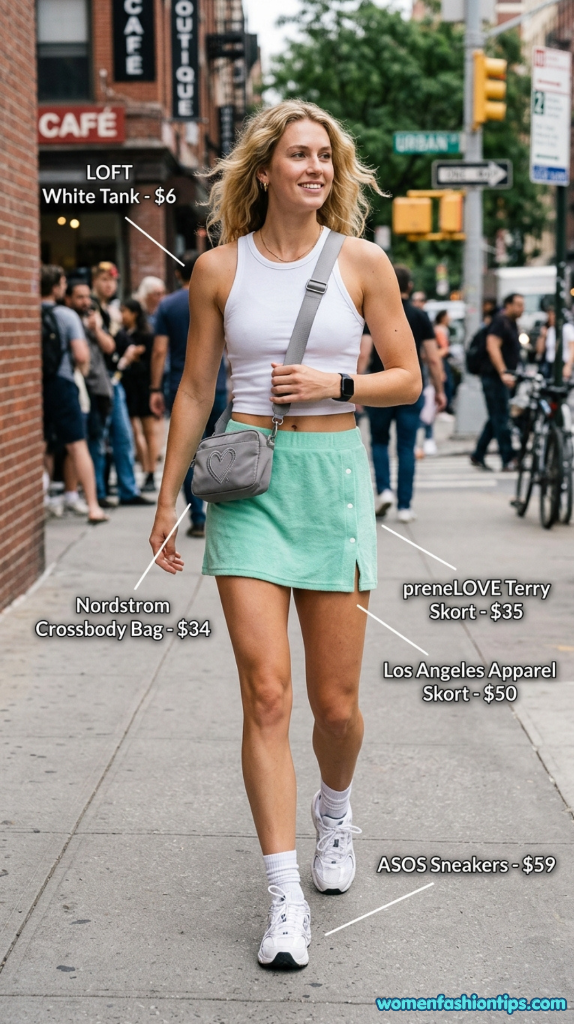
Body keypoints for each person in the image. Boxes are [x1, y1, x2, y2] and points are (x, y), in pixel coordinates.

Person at [149, 100, 421, 969]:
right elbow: (195, 391)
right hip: (250, 489)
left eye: (326, 158)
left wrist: (340, 383)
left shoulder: (365, 263)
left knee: (334, 707)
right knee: (266, 695)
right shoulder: (217, 269)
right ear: (264, 169)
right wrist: (167, 501)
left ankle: (335, 815)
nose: (315, 168)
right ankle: (282, 899)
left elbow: (409, 378)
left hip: (333, 486)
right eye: (299, 155)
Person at [149, 254, 228, 537]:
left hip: (181, 387)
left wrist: (155, 388)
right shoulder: (221, 291)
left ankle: (197, 517)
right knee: (221, 450)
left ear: (175, 273)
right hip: (217, 386)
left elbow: (159, 350)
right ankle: (221, 512)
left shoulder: (168, 305)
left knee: (188, 452)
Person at [365, 266, 446, 520]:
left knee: (379, 442)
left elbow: (363, 352)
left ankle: (385, 491)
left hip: (378, 388)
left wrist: (353, 390)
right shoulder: (420, 316)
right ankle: (405, 506)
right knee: (407, 446)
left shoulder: (374, 312)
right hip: (409, 389)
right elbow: (433, 358)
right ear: (409, 287)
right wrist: (440, 390)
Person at [41, 265, 108, 524]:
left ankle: (43, 499)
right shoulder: (66, 316)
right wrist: (80, 369)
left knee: (42, 444)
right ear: (57, 286)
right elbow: (81, 355)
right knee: (77, 444)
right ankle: (93, 506)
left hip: (36, 386)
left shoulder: (26, 312)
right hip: (62, 382)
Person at [91, 262, 151, 505]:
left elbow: (119, 343)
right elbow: (110, 346)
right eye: (104, 280)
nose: (109, 284)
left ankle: (128, 490)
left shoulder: (109, 311)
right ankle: (99, 492)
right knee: (100, 440)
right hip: (98, 381)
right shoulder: (92, 309)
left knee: (123, 437)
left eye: (112, 281)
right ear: (95, 281)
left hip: (113, 380)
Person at [65, 281, 115, 506]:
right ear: (68, 299)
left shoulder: (92, 322)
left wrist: (96, 329)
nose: (85, 302)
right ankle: (94, 493)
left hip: (99, 389)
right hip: (81, 389)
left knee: (96, 441)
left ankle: (96, 491)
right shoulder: (67, 321)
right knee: (85, 442)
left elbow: (110, 347)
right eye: (79, 297)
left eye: (87, 297)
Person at [471, 292, 524, 472]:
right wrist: (503, 372)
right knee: (501, 419)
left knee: (496, 417)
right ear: (507, 305)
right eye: (517, 304)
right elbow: (491, 345)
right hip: (494, 378)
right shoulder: (501, 322)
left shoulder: (511, 323)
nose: (521, 308)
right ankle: (507, 458)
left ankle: (478, 454)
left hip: (500, 377)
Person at [115, 298, 160, 493]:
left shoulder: (146, 335)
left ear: (134, 313)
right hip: (127, 386)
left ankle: (150, 471)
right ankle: (143, 469)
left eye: (124, 311)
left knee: (148, 430)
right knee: (133, 431)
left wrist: (153, 388)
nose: (121, 315)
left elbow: (151, 362)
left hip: (143, 386)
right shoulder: (121, 334)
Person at [536, 308, 574, 380]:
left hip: (562, 364)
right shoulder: (550, 330)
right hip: (549, 365)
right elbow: (540, 351)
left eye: (552, 315)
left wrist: (568, 366)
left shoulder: (568, 328)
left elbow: (573, 348)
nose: (550, 318)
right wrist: (542, 336)